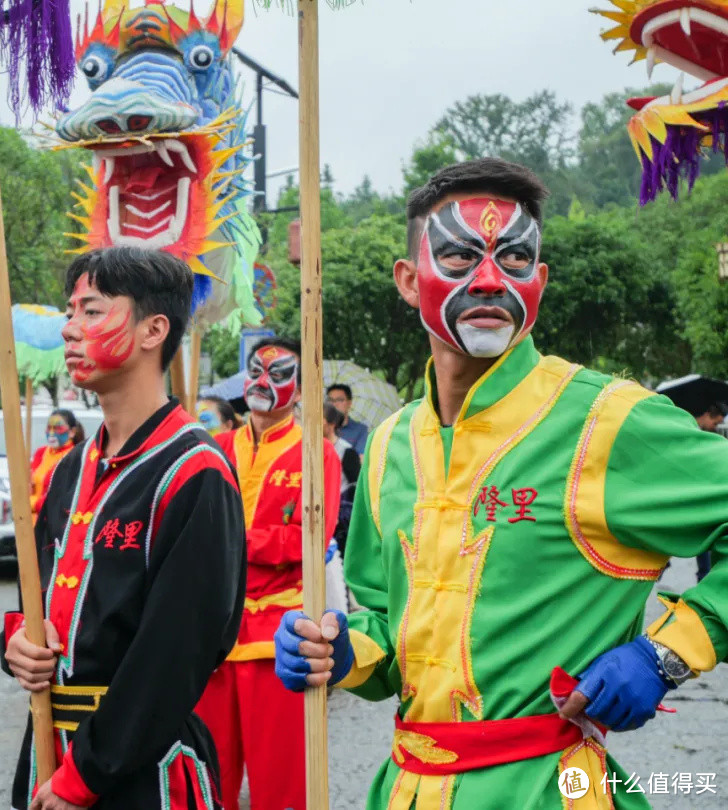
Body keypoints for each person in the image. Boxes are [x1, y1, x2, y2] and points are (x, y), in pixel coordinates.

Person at [275, 158, 728, 810]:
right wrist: (342, 652)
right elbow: (387, 631)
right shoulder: (387, 449)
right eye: (458, 258)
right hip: (403, 788)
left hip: (548, 787)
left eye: (514, 260)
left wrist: (670, 653)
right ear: (409, 279)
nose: (489, 280)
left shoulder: (606, 421)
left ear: (539, 281)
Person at [0, 246, 246, 810]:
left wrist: (83, 778)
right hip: (45, 747)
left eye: (91, 311)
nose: (69, 329)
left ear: (153, 329)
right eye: (69, 312)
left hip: (135, 771)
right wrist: (17, 642)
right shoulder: (71, 468)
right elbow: (31, 597)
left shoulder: (195, 473)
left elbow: (175, 654)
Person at [195, 337, 341, 810]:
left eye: (279, 375)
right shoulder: (211, 449)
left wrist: (237, 540)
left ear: (300, 389)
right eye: (256, 370)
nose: (261, 382)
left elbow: (310, 541)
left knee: (281, 782)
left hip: (282, 640)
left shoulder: (318, 454)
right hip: (213, 635)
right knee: (206, 774)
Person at [691, 400, 726, 581]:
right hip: (696, 506)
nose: (716, 427)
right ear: (707, 415)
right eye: (716, 422)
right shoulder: (690, 433)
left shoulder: (706, 436)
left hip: (704, 510)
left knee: (706, 564)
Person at [29, 409, 84, 516]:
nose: (52, 433)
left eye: (58, 428)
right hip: (31, 521)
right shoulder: (41, 453)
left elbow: (59, 495)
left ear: (72, 432)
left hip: (54, 521)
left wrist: (32, 504)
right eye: (49, 428)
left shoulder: (74, 456)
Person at [324, 403, 361, 556]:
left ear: (332, 424)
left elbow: (356, 487)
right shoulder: (307, 448)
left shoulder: (346, 451)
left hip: (340, 520)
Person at [326, 383, 369, 456]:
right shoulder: (321, 428)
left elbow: (360, 459)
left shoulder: (360, 430)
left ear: (349, 403)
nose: (334, 404)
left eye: (339, 400)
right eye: (330, 400)